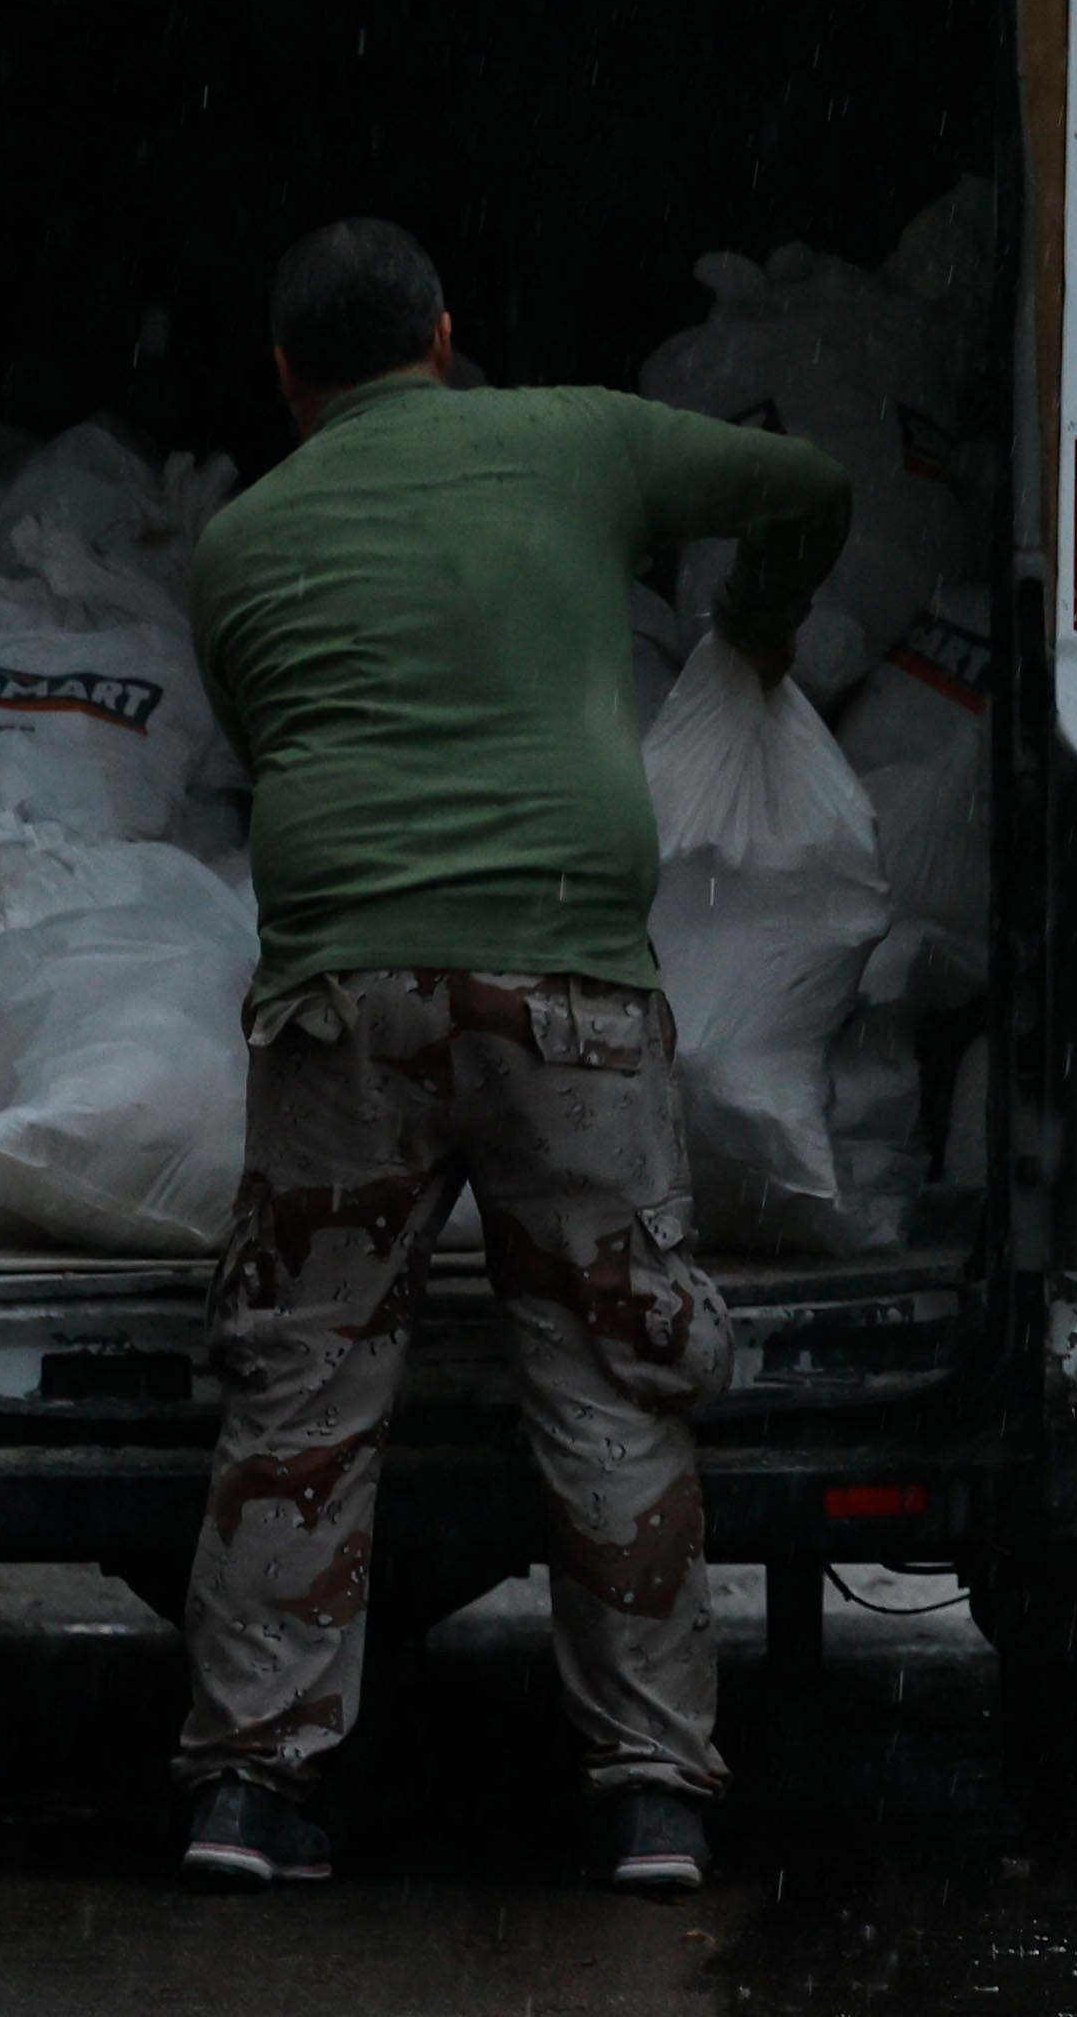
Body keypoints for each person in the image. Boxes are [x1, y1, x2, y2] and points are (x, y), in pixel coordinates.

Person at [176, 219, 850, 1896]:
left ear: (285, 381)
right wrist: (758, 630)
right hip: (572, 1001)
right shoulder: (578, 435)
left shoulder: (241, 540)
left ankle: (257, 1797)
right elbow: (810, 481)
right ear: (449, 334)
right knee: (611, 1382)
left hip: (346, 1003)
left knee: (306, 1384)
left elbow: (270, 739)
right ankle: (649, 1801)